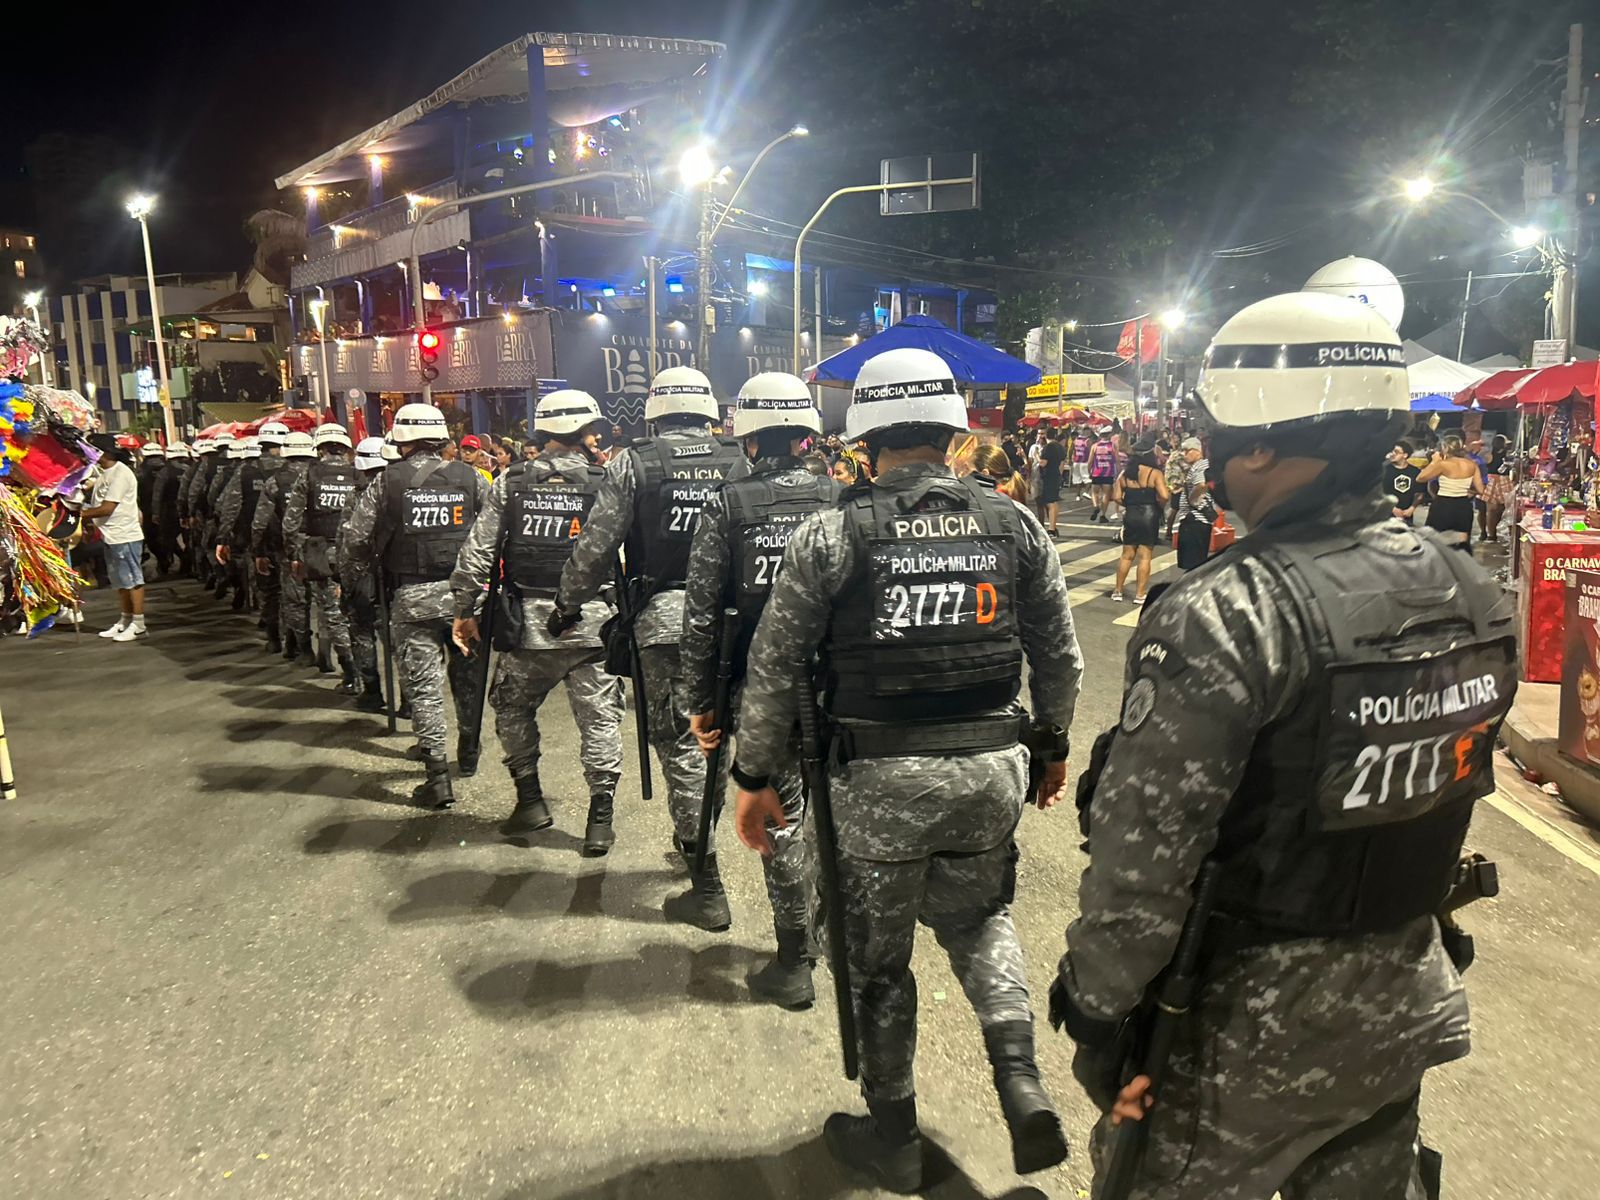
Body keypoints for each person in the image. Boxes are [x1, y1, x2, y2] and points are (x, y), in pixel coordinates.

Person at [1054, 291, 1516, 1199]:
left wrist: (1099, 1013)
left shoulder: (1229, 610)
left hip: (1237, 1038)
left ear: (1258, 446)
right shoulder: (1471, 590)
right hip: (1399, 1010)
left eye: (1216, 433)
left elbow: (1145, 861)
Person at [729, 347, 1082, 1191]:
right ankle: (1019, 1077)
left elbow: (774, 667)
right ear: (955, 437)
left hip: (877, 785)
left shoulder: (832, 533)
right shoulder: (1014, 523)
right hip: (991, 772)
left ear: (863, 441)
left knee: (876, 966)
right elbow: (1060, 658)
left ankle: (893, 1135)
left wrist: (752, 777)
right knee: (982, 920)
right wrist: (1051, 747)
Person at [549, 366, 749, 919]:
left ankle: (706, 883)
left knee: (684, 744)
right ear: (708, 411)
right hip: (736, 621)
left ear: (655, 413)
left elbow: (596, 548)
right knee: (719, 737)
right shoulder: (739, 459)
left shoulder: (635, 463)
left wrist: (567, 604)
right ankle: (702, 833)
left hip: (667, 623)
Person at [678, 372, 838, 995]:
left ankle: (795, 959)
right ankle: (826, 942)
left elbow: (701, 611)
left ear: (747, 439)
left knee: (782, 819)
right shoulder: (838, 497)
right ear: (804, 436)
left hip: (763, 693)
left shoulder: (728, 504)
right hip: (837, 688)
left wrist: (700, 703)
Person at [450, 390, 625, 851]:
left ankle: (530, 801)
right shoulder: (605, 481)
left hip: (528, 627)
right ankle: (600, 819)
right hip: (593, 626)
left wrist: (465, 609)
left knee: (510, 706)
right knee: (601, 720)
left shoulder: (512, 481)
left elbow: (478, 553)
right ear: (585, 431)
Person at [343, 403, 491, 806]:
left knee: (424, 688)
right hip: (466, 599)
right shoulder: (471, 477)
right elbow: (494, 530)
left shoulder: (386, 481)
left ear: (402, 440)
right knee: (468, 679)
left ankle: (437, 777)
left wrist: (360, 576)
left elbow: (356, 538)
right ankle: (469, 751)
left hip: (412, 599)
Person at [284, 423, 359, 688]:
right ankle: (364, 670)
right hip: (356, 553)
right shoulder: (358, 475)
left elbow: (291, 522)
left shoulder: (309, 474)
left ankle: (351, 673)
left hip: (322, 553)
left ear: (321, 448)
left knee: (333, 613)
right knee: (359, 613)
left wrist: (294, 553)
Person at [216, 420, 291, 629]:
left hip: (258, 537)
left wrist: (223, 537)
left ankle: (272, 627)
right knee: (293, 590)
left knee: (267, 587)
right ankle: (291, 633)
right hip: (290, 538)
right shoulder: (295, 469)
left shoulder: (245, 471)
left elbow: (229, 505)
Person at [338, 437, 389, 712]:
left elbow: (347, 541)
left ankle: (372, 692)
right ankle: (408, 701)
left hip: (363, 577)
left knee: (362, 633)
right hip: (394, 576)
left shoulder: (357, 495)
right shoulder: (402, 489)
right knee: (399, 640)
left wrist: (344, 581)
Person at [83, 436, 148, 642]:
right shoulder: (105, 473)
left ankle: (138, 624)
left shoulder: (121, 474)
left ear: (104, 452)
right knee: (120, 581)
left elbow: (107, 508)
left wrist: (78, 515)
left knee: (132, 579)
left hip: (124, 534)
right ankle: (125, 619)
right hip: (111, 535)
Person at [1110, 437, 1170, 603]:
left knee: (1126, 555)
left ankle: (1117, 591)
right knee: (1145, 556)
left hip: (1131, 514)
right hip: (1149, 515)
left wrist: (1130, 504)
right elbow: (1164, 496)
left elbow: (1116, 497)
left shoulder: (1125, 474)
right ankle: (1140, 594)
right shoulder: (1155, 473)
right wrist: (1158, 505)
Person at [1417, 433, 1482, 553]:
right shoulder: (1472, 464)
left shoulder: (1443, 464)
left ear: (1445, 448)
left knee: (1435, 541)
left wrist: (1434, 461)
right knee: (1461, 543)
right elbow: (1480, 490)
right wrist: (1464, 489)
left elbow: (1420, 478)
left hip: (1443, 505)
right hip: (1463, 505)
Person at [1174, 435, 1216, 570]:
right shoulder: (1198, 466)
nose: (1184, 454)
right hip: (1195, 520)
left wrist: (1192, 499)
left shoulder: (1200, 466)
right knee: (1194, 563)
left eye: (1187, 451)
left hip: (1195, 520)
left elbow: (1201, 485)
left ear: (1198, 451)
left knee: (1193, 564)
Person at [1481, 433, 1512, 542]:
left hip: (1492, 480)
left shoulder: (1489, 454)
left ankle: (1492, 534)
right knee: (1504, 508)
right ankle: (1493, 533)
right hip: (1504, 480)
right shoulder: (1508, 455)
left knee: (1491, 510)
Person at [1384, 439, 1422, 526]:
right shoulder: (1384, 471)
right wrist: (1392, 508)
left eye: (1396, 452)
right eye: (1391, 451)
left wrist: (1412, 508)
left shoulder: (1415, 471)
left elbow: (1419, 492)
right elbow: (1380, 493)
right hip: (1386, 514)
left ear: (1405, 455)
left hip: (1407, 514)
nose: (1392, 454)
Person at [1038, 428, 1067, 536]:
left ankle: (1051, 529)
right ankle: (1053, 527)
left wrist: (1037, 456)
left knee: (1050, 502)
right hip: (1056, 476)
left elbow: (1043, 463)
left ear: (1046, 436)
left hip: (1049, 476)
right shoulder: (1060, 447)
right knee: (1053, 501)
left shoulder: (1048, 447)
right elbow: (1062, 464)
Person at [1087, 429, 1119, 522]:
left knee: (1094, 492)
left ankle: (1096, 506)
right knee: (1106, 495)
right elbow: (1117, 461)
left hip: (1096, 473)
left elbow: (1090, 461)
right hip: (1108, 474)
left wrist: (1089, 472)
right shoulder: (1112, 446)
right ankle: (1103, 516)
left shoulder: (1095, 446)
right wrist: (1119, 473)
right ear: (1109, 435)